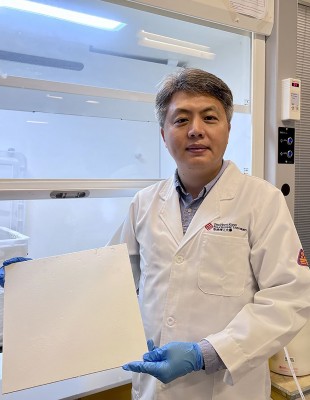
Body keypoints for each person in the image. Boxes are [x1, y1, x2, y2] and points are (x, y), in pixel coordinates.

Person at [108, 68, 310, 399]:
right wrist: (38, 282)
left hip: (226, 388)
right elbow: (109, 280)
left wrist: (207, 354)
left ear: (228, 129)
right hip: (154, 387)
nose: (196, 131)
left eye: (210, 118)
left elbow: (290, 297)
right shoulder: (143, 204)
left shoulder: (262, 201)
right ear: (163, 134)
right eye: (181, 120)